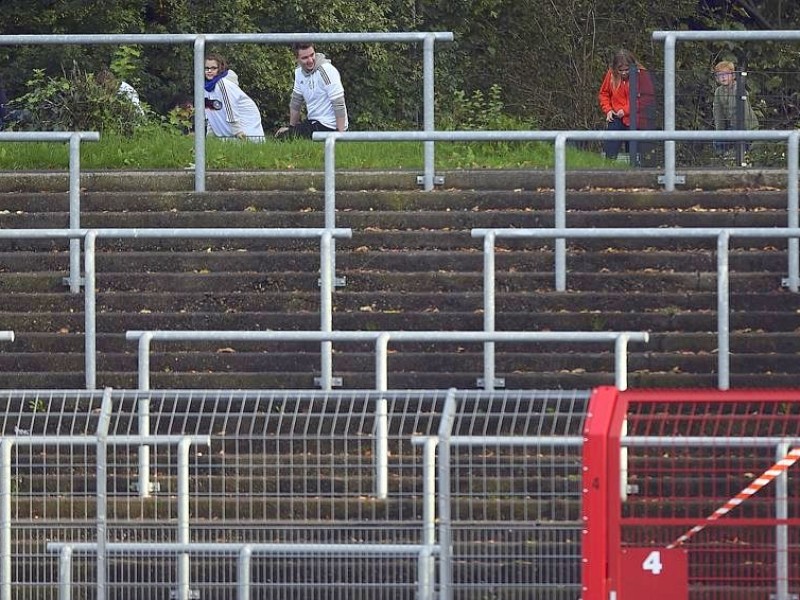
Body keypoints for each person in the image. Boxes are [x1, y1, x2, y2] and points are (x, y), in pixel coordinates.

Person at [275, 43, 348, 139]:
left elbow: (338, 103)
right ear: (296, 59)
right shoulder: (298, 72)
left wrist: (340, 134)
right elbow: (296, 102)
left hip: (330, 126)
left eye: (312, 55)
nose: (310, 60)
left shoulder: (327, 70)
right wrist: (291, 128)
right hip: (314, 122)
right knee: (282, 136)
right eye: (305, 58)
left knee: (284, 139)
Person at [597, 49, 655, 161]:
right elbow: (604, 93)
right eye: (620, 70)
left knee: (634, 155)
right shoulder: (611, 75)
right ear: (615, 69)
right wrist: (608, 110)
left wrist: (626, 110)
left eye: (626, 70)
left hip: (636, 119)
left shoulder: (642, 74)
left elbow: (647, 98)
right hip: (616, 117)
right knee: (610, 152)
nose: (624, 73)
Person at [203, 53, 265, 141]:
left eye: (213, 68)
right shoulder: (205, 87)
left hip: (246, 133)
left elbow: (230, 109)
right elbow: (210, 113)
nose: (209, 71)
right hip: (228, 138)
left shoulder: (223, 84)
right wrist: (209, 137)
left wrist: (238, 132)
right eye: (207, 68)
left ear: (220, 68)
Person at [712, 60, 759, 155]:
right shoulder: (718, 91)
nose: (723, 77)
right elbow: (718, 113)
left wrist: (744, 131)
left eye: (726, 74)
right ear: (717, 78)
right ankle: (722, 157)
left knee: (739, 141)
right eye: (720, 75)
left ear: (733, 76)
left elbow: (744, 112)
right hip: (731, 125)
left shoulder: (739, 89)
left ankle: (742, 154)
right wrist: (719, 132)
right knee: (717, 140)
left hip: (746, 125)